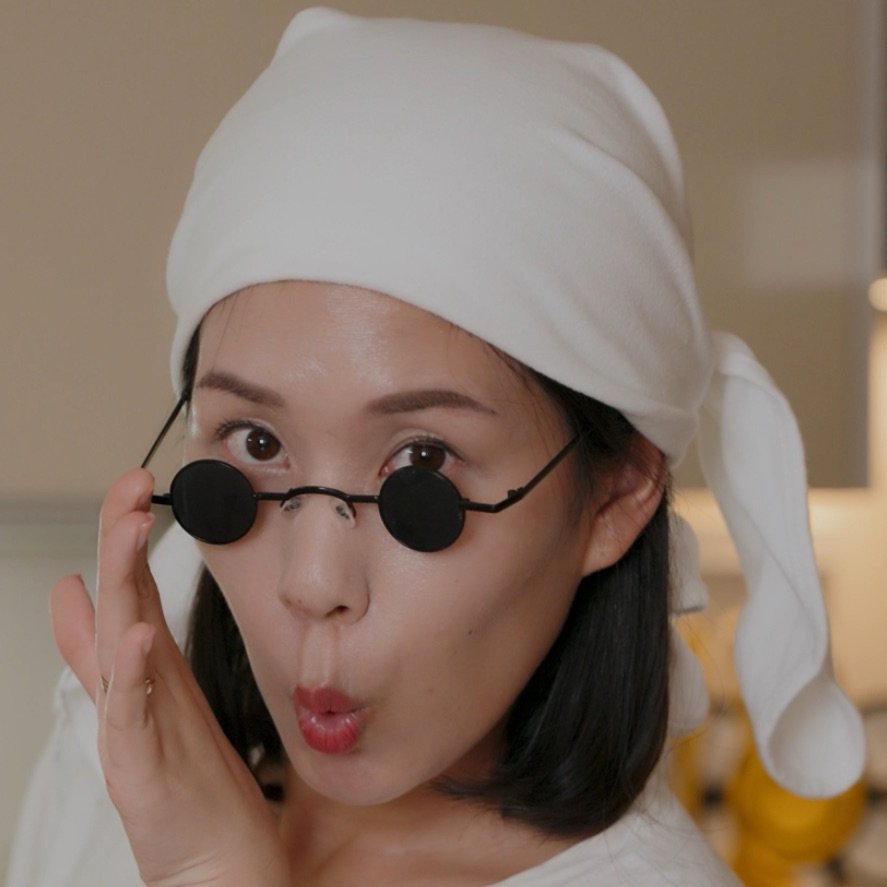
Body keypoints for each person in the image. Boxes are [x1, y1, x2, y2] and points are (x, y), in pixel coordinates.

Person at [7, 8, 865, 886]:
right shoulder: (114, 780)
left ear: (614, 496)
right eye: (257, 441)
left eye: (421, 468)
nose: (312, 583)